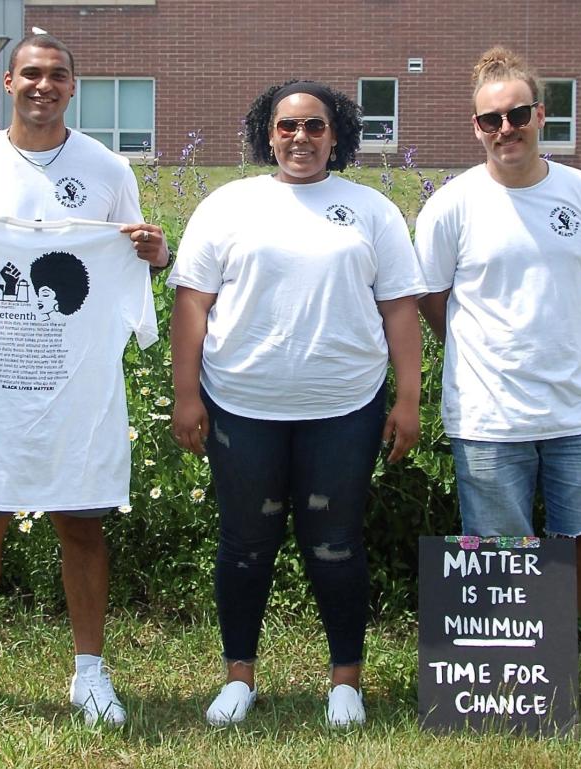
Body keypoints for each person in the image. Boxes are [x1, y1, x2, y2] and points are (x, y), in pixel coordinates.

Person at [0, 33, 168, 727]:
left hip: (75, 380)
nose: (45, 85)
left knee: (82, 519)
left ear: (73, 86)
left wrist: (155, 257)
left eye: (59, 76)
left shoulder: (106, 170)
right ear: (8, 81)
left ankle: (90, 674)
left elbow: (133, 261)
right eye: (32, 74)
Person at [168, 80, 425, 727]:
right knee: (246, 544)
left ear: (336, 135)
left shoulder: (371, 211)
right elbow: (191, 304)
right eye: (287, 126)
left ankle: (345, 683)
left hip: (344, 408)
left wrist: (409, 399)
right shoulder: (229, 206)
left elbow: (400, 308)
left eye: (314, 127)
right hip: (243, 405)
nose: (300, 138)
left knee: (335, 543)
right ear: (268, 133)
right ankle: (238, 678)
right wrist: (186, 394)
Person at [414, 47, 581, 726]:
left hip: (577, 412)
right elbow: (434, 301)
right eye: (491, 119)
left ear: (541, 115)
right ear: (475, 126)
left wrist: (557, 343)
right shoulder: (451, 206)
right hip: (487, 417)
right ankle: (524, 699)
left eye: (517, 114)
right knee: (503, 562)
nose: (505, 127)